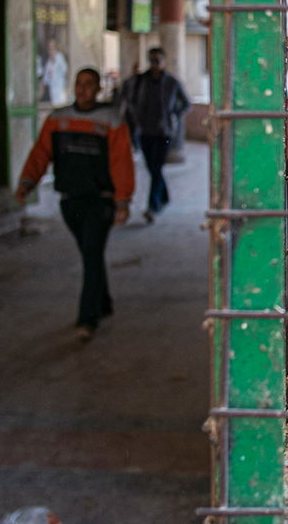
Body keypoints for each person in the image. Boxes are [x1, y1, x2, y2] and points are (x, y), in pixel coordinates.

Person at [16, 68, 134, 341]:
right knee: (90, 254)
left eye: (89, 84)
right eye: (79, 84)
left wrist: (123, 201)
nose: (83, 89)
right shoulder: (58, 119)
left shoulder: (111, 119)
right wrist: (27, 183)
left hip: (100, 201)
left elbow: (121, 162)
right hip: (70, 202)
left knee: (91, 255)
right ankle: (103, 303)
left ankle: (87, 319)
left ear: (98, 89)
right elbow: (40, 154)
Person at [124, 47, 190, 223]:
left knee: (156, 167)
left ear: (164, 61)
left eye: (158, 60)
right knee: (153, 168)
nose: (154, 64)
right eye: (152, 60)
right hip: (145, 130)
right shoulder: (140, 81)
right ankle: (165, 196)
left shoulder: (171, 82)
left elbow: (186, 103)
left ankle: (153, 206)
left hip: (164, 132)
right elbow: (128, 97)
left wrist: (173, 114)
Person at [40, 38, 69, 105]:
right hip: (54, 97)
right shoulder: (49, 64)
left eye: (53, 48)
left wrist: (67, 90)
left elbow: (67, 73)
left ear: (56, 48)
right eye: (49, 48)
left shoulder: (60, 59)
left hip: (61, 97)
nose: (51, 50)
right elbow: (45, 82)